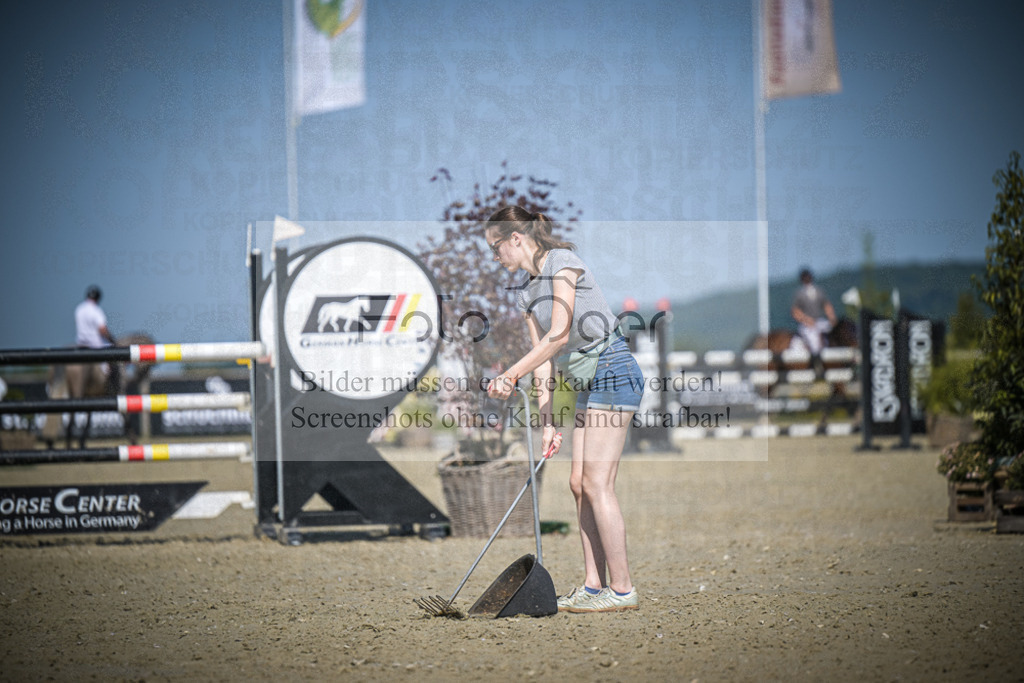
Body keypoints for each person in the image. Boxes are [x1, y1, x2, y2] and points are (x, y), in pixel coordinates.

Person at [485, 206, 644, 613]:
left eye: (496, 246)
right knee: (578, 482)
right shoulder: (525, 292)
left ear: (516, 238)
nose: (495, 255)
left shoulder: (563, 263)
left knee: (597, 483)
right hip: (583, 382)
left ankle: (622, 590)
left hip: (612, 368)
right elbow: (545, 364)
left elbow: (557, 335)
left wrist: (508, 375)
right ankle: (594, 586)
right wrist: (548, 422)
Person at [790, 268, 836, 357]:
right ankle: (816, 360)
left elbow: (826, 305)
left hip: (819, 320)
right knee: (814, 341)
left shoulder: (819, 291)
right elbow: (795, 311)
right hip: (807, 324)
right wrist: (806, 319)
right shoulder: (799, 294)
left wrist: (832, 317)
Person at [75, 285, 116, 349]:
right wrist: (112, 340)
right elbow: (102, 329)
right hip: (95, 346)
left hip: (82, 345)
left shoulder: (79, 309)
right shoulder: (96, 310)